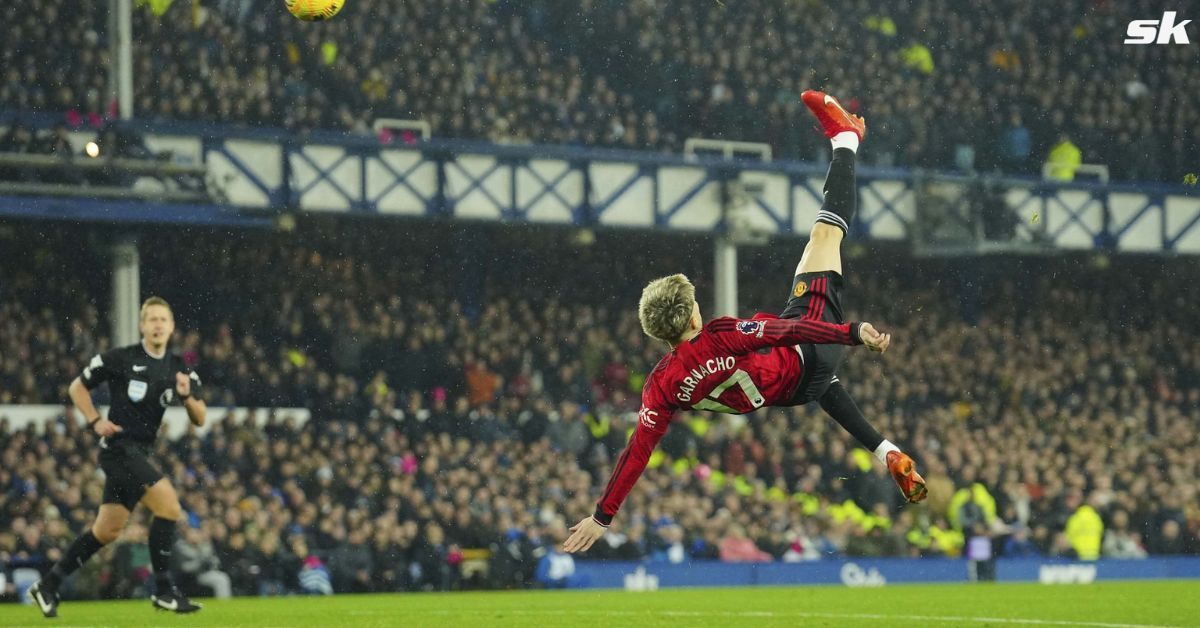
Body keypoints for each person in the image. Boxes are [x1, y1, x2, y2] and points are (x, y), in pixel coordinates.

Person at [564, 91, 927, 554]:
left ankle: (887, 452)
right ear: (693, 312)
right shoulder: (721, 336)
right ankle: (846, 141)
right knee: (826, 233)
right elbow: (788, 330)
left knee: (824, 385)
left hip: (793, 392)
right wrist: (851, 333)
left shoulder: (662, 385)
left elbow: (637, 452)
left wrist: (603, 515)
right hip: (809, 348)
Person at [30, 297, 205, 617]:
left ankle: (48, 585)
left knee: (107, 531)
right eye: (151, 319)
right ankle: (165, 590)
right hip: (119, 450)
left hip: (141, 452)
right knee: (169, 506)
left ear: (171, 327)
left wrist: (187, 397)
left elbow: (200, 417)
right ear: (141, 326)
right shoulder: (120, 358)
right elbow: (77, 388)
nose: (156, 325)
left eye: (162, 320)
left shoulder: (179, 366)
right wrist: (96, 421)